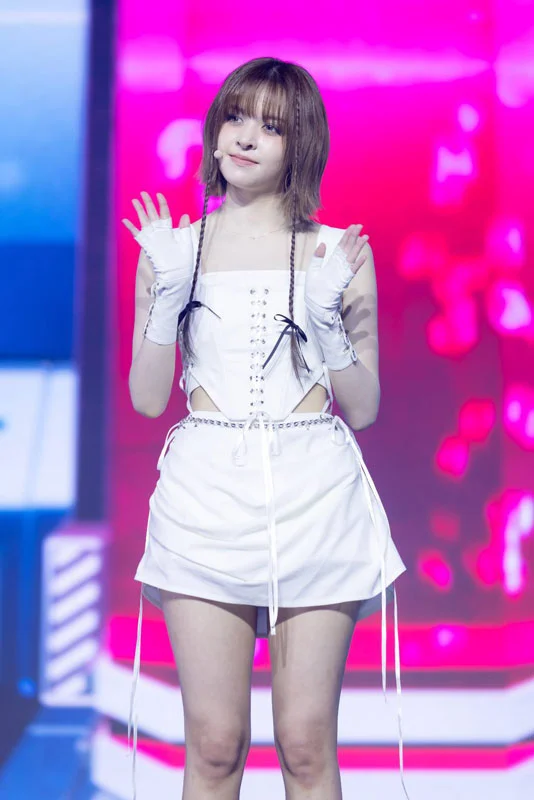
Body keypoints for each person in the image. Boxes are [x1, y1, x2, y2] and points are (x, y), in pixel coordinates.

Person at [122, 56, 408, 800]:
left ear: (301, 144)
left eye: (271, 126)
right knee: (215, 746)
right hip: (206, 497)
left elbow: (365, 408)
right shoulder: (173, 249)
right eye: (235, 117)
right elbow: (148, 399)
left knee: (305, 744)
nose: (245, 137)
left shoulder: (338, 252)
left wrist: (327, 324)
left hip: (313, 495)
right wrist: (164, 299)